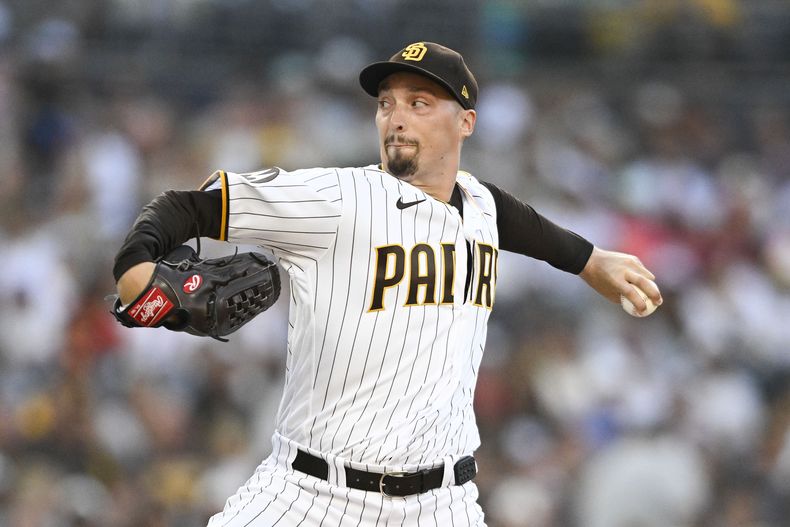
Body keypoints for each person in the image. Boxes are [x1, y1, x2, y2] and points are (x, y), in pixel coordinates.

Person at [113, 42, 662, 526]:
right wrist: (138, 270)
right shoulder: (338, 199)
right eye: (386, 103)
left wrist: (589, 261)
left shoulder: (482, 206)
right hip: (310, 496)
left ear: (465, 122)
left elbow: (517, 221)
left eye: (419, 104)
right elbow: (186, 206)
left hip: (443, 504)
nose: (395, 117)